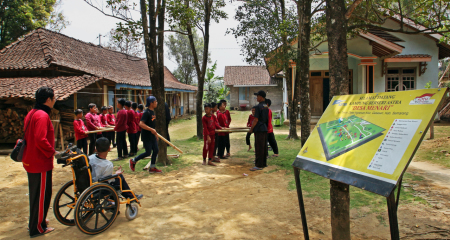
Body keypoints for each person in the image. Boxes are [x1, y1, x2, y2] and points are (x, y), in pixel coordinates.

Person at [23, 86, 58, 237]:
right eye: (54, 98)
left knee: (36, 194)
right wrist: (53, 152)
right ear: (48, 100)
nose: (55, 100)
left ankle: (38, 219)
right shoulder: (43, 116)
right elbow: (40, 139)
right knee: (42, 194)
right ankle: (37, 228)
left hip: (31, 159)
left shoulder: (32, 113)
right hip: (40, 161)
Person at [129, 96, 162, 173]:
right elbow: (141, 124)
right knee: (148, 152)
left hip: (152, 135)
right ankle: (133, 160)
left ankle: (152, 167)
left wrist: (155, 134)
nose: (156, 103)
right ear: (151, 103)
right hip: (147, 136)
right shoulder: (146, 113)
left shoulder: (153, 112)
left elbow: (152, 125)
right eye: (155, 101)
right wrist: (151, 130)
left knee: (156, 150)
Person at [249, 90, 269, 171]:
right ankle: (263, 163)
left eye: (257, 96)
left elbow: (256, 119)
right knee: (263, 147)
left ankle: (258, 165)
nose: (257, 97)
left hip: (259, 129)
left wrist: (251, 128)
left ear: (261, 97)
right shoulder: (266, 106)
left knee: (259, 147)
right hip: (264, 128)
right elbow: (267, 119)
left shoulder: (257, 107)